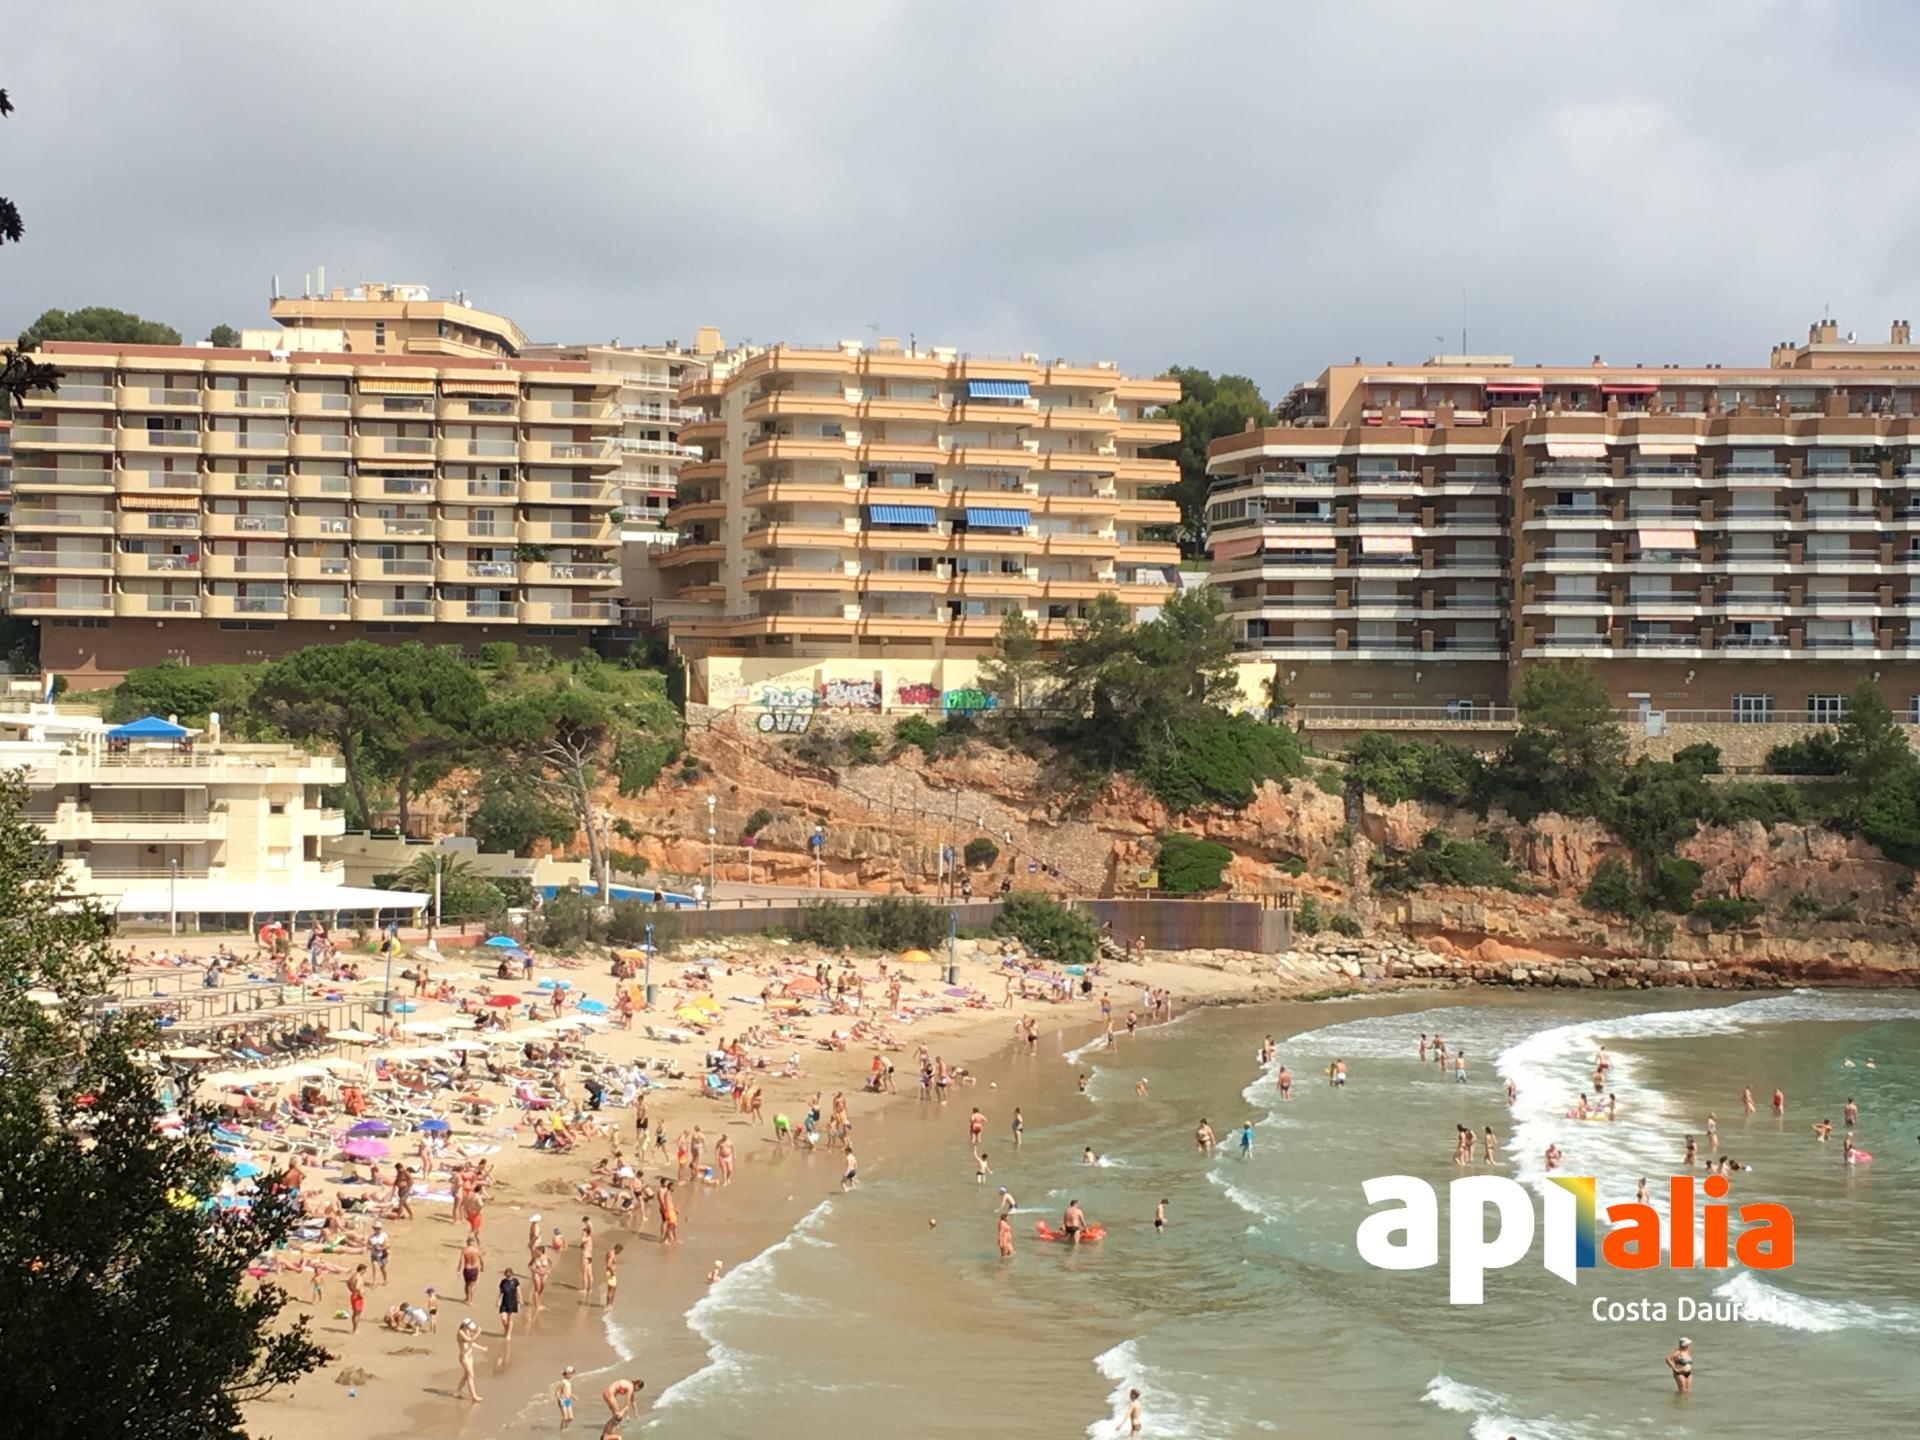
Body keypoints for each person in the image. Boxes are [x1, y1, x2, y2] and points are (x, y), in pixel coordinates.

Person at [456, 1319, 487, 1403]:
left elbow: (470, 1343)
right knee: (471, 1375)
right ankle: (474, 1396)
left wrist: (481, 1348)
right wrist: (478, 1332)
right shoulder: (460, 1332)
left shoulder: (467, 1331)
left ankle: (457, 1391)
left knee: (466, 1376)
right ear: (465, 1325)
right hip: (464, 1357)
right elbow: (470, 1340)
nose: (470, 1328)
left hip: (470, 1357)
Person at [498, 1267, 521, 1338]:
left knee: (510, 1319)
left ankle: (509, 1334)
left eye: (509, 1274)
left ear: (512, 1274)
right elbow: (500, 1292)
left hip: (512, 1302)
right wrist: (498, 1300)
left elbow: (518, 1291)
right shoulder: (503, 1282)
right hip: (504, 1302)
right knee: (503, 1319)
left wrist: (520, 1300)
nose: (508, 1276)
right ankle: (506, 1329)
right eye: (506, 1274)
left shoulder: (515, 1281)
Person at [459, 1237, 484, 1304]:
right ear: (473, 1243)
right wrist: (482, 1267)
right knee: (472, 1284)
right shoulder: (477, 1250)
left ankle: (467, 1298)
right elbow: (481, 1260)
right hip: (474, 1268)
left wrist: (459, 1269)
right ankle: (471, 1301)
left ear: (467, 1242)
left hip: (467, 1269)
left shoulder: (464, 1250)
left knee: (467, 1284)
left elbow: (461, 1261)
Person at [346, 1263, 367, 1333]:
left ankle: (354, 1328)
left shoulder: (353, 1275)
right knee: (357, 1313)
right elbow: (357, 1287)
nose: (365, 1272)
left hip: (353, 1295)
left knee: (355, 1313)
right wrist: (360, 1294)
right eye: (365, 1270)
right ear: (362, 1270)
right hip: (357, 1296)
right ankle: (355, 1329)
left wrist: (351, 1290)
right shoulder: (359, 1278)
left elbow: (348, 1283)